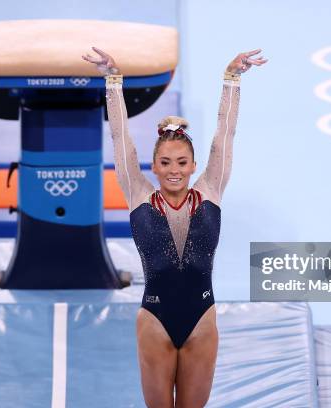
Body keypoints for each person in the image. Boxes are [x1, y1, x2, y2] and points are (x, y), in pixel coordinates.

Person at [83, 46, 267, 408]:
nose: (174, 170)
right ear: (153, 166)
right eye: (165, 162)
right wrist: (112, 79)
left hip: (202, 319)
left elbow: (225, 136)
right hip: (155, 319)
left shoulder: (211, 188)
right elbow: (121, 138)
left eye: (182, 162)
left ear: (194, 164)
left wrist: (232, 79)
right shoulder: (138, 193)